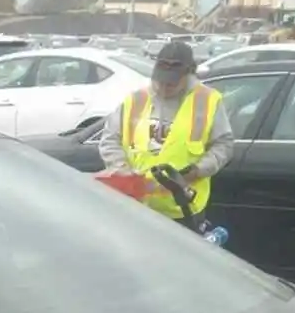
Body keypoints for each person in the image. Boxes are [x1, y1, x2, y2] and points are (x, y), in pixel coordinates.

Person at [98, 39, 236, 223]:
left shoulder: (207, 100)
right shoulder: (136, 99)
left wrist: (198, 170)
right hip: (136, 205)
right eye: (160, 80)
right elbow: (110, 139)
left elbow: (223, 145)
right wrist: (121, 169)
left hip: (183, 208)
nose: (164, 86)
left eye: (171, 83)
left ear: (188, 74)